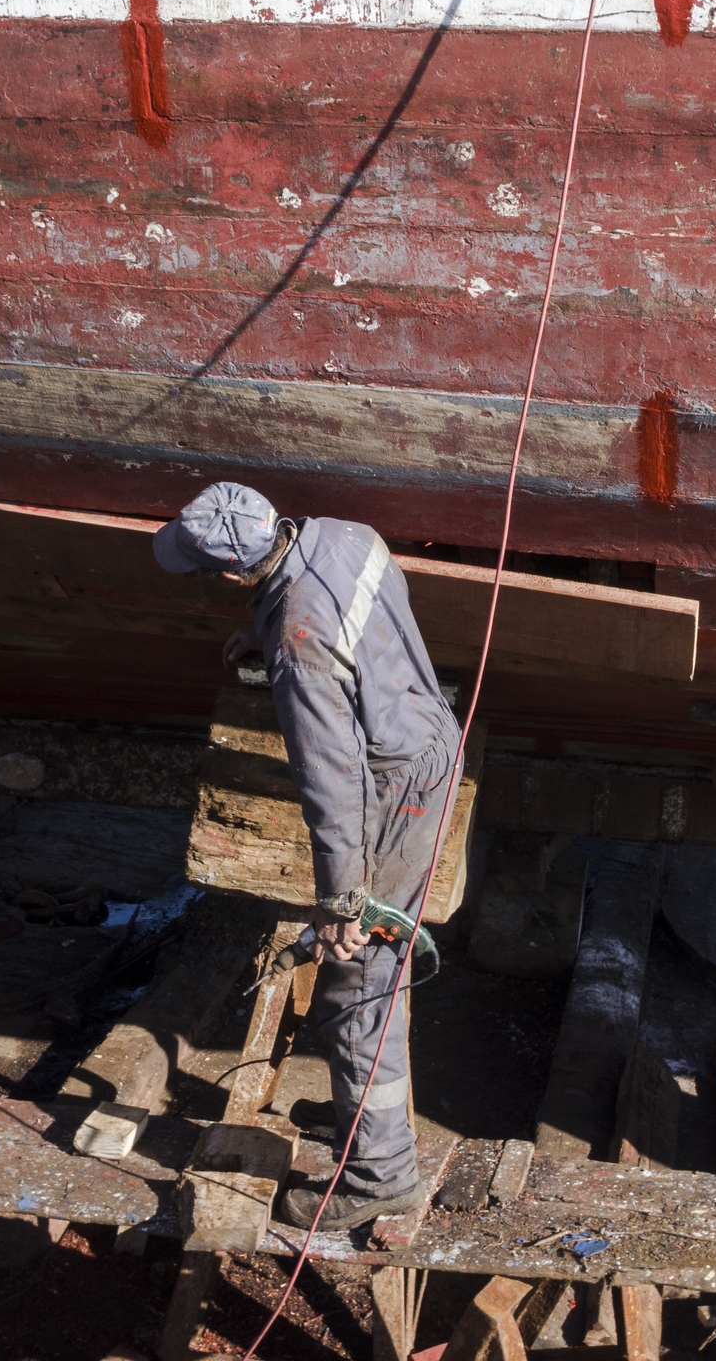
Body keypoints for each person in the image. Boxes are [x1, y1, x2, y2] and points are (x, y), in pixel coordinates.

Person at [154, 481, 460, 1231]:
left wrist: (341, 903)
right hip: (430, 736)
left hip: (393, 792)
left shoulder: (301, 647)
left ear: (232, 573)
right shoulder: (346, 531)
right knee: (371, 980)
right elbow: (355, 613)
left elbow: (332, 777)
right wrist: (273, 625)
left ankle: (379, 1178)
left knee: (356, 985)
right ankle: (365, 1118)